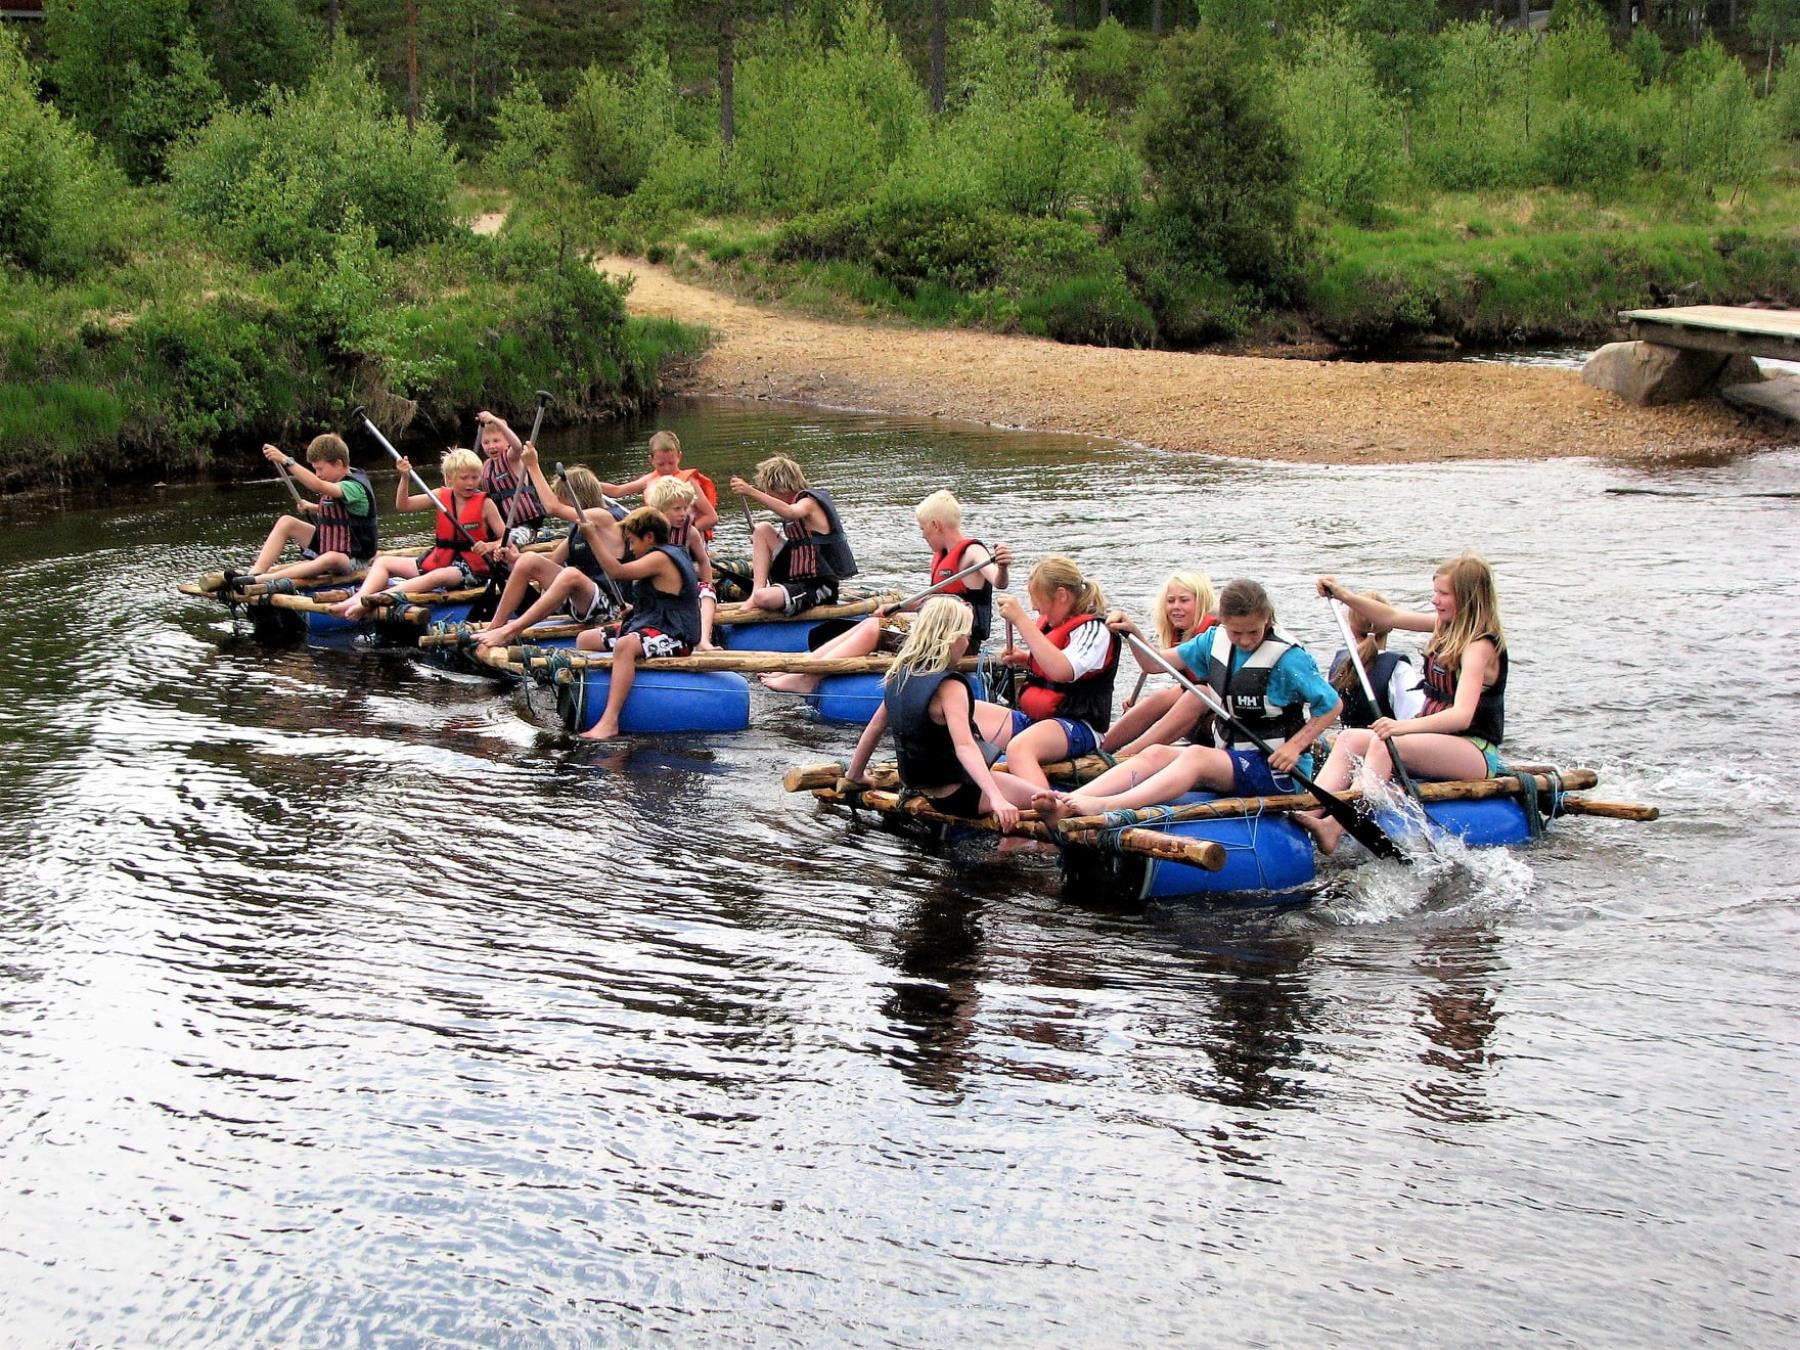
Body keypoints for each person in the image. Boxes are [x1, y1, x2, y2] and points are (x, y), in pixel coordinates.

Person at [1032, 578, 1341, 822]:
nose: (1246, 640)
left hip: (1278, 772)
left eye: (1253, 632)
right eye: (1237, 633)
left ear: (1267, 619)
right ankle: (1071, 802)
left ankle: (1106, 806)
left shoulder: (1289, 659)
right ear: (1223, 622)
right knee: (1155, 753)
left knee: (1195, 757)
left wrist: (1295, 746)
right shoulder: (1213, 640)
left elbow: (1331, 705)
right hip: (1233, 759)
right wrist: (1132, 633)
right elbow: (1153, 664)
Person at [1297, 554, 1509, 854]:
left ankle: (1334, 826)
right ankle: (1308, 811)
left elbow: (1462, 716)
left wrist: (1402, 727)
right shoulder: (1444, 626)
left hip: (1474, 750)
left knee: (1386, 744)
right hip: (1440, 742)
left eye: (1443, 594)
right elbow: (1389, 617)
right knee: (1348, 739)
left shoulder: (1479, 646)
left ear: (1467, 598)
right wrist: (1343, 595)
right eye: (1435, 591)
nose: (1434, 599)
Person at [758, 489, 1011, 694]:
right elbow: (934, 599)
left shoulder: (972, 553)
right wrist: (897, 608)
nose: (923, 535)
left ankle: (808, 679)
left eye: (923, 528)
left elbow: (998, 582)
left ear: (936, 525)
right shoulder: (941, 556)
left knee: (872, 629)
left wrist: (1002, 566)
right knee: (872, 622)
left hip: (956, 642)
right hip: (932, 632)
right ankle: (803, 667)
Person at [841, 597, 1043, 827]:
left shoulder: (899, 675)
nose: (967, 642)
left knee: (1036, 796)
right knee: (1054, 803)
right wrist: (996, 797)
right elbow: (965, 746)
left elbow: (875, 728)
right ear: (951, 638)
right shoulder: (950, 687)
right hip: (960, 794)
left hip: (925, 790)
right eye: (966, 636)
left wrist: (855, 774)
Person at [973, 555, 1119, 789]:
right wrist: (1025, 659)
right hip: (1036, 721)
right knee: (965, 711)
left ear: (1062, 595)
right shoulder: (1055, 623)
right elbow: (1050, 663)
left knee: (1020, 749)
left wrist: (1021, 620)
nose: (1034, 607)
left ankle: (1047, 805)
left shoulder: (1094, 630)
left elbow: (1063, 670)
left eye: (1038, 600)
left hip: (1078, 726)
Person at [572, 506, 703, 741]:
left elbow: (617, 571)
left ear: (649, 537)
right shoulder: (656, 557)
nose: (630, 548)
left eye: (632, 542)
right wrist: (635, 610)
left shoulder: (660, 557)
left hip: (676, 634)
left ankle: (610, 720)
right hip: (653, 623)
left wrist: (592, 537)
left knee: (625, 645)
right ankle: (594, 691)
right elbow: (662, 597)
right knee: (585, 639)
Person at [329, 448, 504, 620]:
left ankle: (374, 600)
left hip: (471, 570)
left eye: (475, 477)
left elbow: (505, 538)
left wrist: (489, 546)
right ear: (450, 478)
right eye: (464, 478)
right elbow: (403, 505)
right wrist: (405, 478)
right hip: (441, 559)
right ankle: (358, 598)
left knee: (439, 575)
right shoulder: (439, 495)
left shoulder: (486, 504)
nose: (471, 483)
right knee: (383, 562)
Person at [472, 449, 622, 649]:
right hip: (582, 602)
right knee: (529, 559)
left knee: (571, 574)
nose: (558, 501)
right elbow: (551, 560)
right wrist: (514, 558)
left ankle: (510, 631)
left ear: (574, 498)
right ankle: (496, 626)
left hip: (611, 606)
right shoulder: (578, 528)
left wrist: (532, 465)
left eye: (561, 497)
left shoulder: (605, 517)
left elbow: (553, 508)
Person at [230, 435, 378, 587]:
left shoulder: (354, 487)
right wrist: (313, 507)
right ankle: (255, 572)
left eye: (320, 469)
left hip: (355, 559)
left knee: (332, 558)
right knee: (286, 522)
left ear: (339, 464)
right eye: (315, 469)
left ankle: (263, 579)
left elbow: (317, 485)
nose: (317, 474)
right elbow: (341, 511)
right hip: (330, 545)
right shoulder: (336, 481)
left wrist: (286, 460)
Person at [1099, 571, 1218, 755]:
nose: (1176, 607)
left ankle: (1125, 757)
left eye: (1184, 600)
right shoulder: (1181, 635)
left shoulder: (1215, 634)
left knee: (1199, 693)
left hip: (1222, 724)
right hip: (1198, 719)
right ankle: (1099, 748)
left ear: (1201, 602)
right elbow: (1152, 664)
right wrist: (1131, 632)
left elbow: (1154, 664)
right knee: (1166, 695)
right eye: (1171, 601)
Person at [729, 454, 858, 614]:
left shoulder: (808, 503)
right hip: (797, 577)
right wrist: (760, 543)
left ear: (779, 487)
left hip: (819, 586)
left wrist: (751, 492)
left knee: (763, 598)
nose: (768, 494)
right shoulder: (795, 504)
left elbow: (790, 512)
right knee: (761, 530)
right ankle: (755, 592)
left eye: (768, 490)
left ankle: (759, 597)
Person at [644, 474, 722, 651]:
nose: (683, 514)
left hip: (684, 589)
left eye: (685, 508)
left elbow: (703, 561)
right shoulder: (648, 534)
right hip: (659, 592)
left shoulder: (690, 532)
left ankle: (703, 640)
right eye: (677, 509)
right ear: (660, 510)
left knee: (706, 593)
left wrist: (708, 584)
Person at [1325, 591, 1422, 729]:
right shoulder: (1399, 669)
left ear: (1352, 628)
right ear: (1390, 626)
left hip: (1344, 738)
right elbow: (1414, 718)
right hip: (1382, 740)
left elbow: (1327, 713)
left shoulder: (1339, 663)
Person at [599, 430, 720, 539]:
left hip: (687, 541)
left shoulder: (688, 482)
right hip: (661, 537)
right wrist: (590, 483)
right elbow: (617, 491)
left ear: (679, 457)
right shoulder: (649, 480)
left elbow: (711, 517)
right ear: (651, 460)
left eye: (671, 463)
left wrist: (684, 534)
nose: (667, 469)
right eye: (661, 464)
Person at [473, 410, 546, 543]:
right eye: (486, 442)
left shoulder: (511, 458)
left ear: (507, 442)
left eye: (496, 441)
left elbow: (517, 446)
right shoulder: (485, 467)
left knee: (506, 543)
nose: (491, 446)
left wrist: (494, 420)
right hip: (501, 528)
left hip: (526, 525)